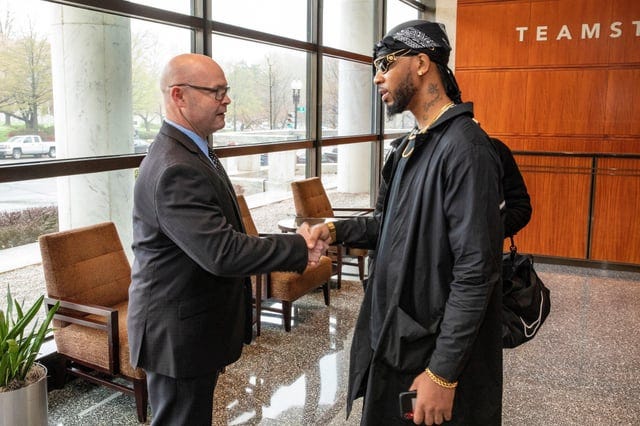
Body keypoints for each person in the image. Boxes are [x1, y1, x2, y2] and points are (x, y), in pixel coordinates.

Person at [308, 21, 504, 425]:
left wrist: (443, 373)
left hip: (429, 354)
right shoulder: (409, 147)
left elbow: (476, 271)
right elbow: (387, 225)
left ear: (420, 63)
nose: (378, 76)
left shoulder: (465, 150)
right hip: (396, 341)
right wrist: (333, 230)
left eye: (385, 63)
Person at [127, 53, 323, 425]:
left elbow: (225, 237)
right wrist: (298, 246)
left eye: (225, 90)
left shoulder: (193, 152)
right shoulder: (175, 168)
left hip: (193, 328)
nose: (226, 100)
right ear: (179, 96)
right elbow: (222, 252)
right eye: (216, 91)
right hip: (176, 336)